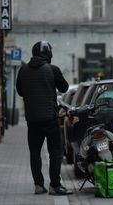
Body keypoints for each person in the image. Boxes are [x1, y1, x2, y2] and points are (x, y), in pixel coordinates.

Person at [16, 41, 72, 195]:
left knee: (35, 153)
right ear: (49, 54)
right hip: (50, 119)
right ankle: (55, 185)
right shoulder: (52, 69)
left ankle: (38, 185)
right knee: (55, 152)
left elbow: (20, 91)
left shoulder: (22, 70)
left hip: (32, 120)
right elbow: (64, 88)